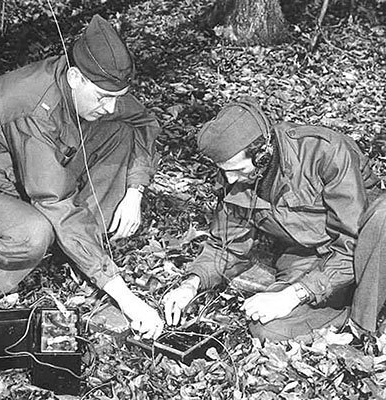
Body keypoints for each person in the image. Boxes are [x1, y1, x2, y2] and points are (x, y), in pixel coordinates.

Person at [0, 14, 163, 339]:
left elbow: (144, 122)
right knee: (34, 232)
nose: (111, 106)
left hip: (19, 181)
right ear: (75, 78)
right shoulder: (32, 104)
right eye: (103, 98)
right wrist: (128, 300)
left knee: (120, 133)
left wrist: (135, 191)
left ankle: (78, 249)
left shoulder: (95, 86)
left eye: (117, 97)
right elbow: (53, 199)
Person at [163, 97, 383, 342]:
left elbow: (350, 244)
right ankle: (347, 310)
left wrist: (293, 296)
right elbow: (226, 246)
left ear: (263, 152)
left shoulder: (324, 151)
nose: (231, 180)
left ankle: (364, 325)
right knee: (266, 328)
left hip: (366, 251)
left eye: (237, 170)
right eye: (224, 170)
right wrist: (192, 284)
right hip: (308, 259)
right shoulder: (232, 178)